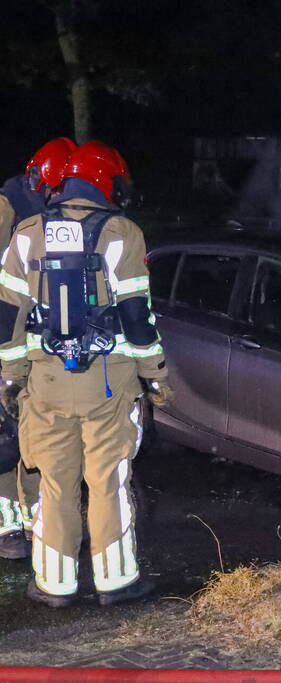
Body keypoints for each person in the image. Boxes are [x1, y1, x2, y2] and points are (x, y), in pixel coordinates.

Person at [0, 140, 172, 607]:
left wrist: (12, 376)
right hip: (108, 384)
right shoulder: (123, 233)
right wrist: (155, 374)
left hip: (45, 383)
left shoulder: (27, 232)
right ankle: (116, 581)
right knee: (108, 481)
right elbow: (138, 315)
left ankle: (54, 586)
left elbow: (7, 316)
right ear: (106, 181)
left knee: (54, 483)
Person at [0, 138, 76, 560]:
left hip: (36, 340)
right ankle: (9, 527)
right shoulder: (10, 203)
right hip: (7, 332)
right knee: (5, 439)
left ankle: (37, 521)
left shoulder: (55, 212)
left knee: (32, 434)